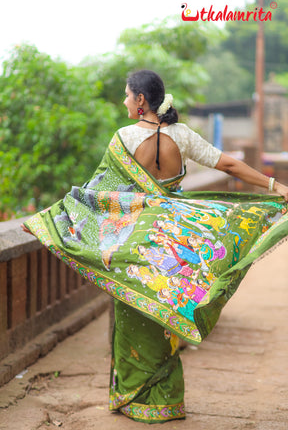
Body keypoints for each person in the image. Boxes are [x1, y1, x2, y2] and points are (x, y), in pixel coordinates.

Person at [22, 70, 288, 423]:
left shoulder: (124, 139)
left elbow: (97, 193)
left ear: (141, 101)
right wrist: (274, 185)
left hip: (134, 244)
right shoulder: (182, 135)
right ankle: (168, 401)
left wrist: (54, 219)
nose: (124, 101)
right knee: (165, 315)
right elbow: (226, 164)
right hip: (173, 241)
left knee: (134, 313)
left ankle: (134, 398)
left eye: (127, 95)